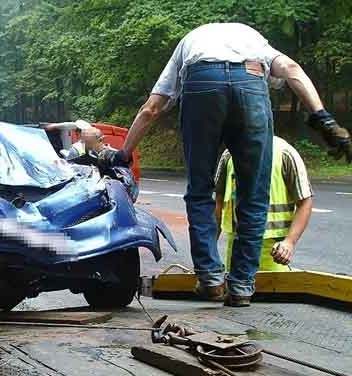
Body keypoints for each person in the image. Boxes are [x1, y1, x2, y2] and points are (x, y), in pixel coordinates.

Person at [97, 23, 350, 306]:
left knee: (200, 191)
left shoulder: (190, 42)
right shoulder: (257, 43)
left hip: (200, 81)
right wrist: (323, 117)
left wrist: (124, 152)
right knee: (254, 195)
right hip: (251, 81)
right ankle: (242, 286)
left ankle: (211, 279)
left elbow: (152, 108)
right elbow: (291, 69)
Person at [216, 136, 313, 277]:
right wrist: (209, 251)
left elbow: (305, 201)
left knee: (271, 294)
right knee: (237, 293)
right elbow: (218, 202)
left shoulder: (285, 153)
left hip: (273, 249)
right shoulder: (229, 154)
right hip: (237, 245)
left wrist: (289, 242)